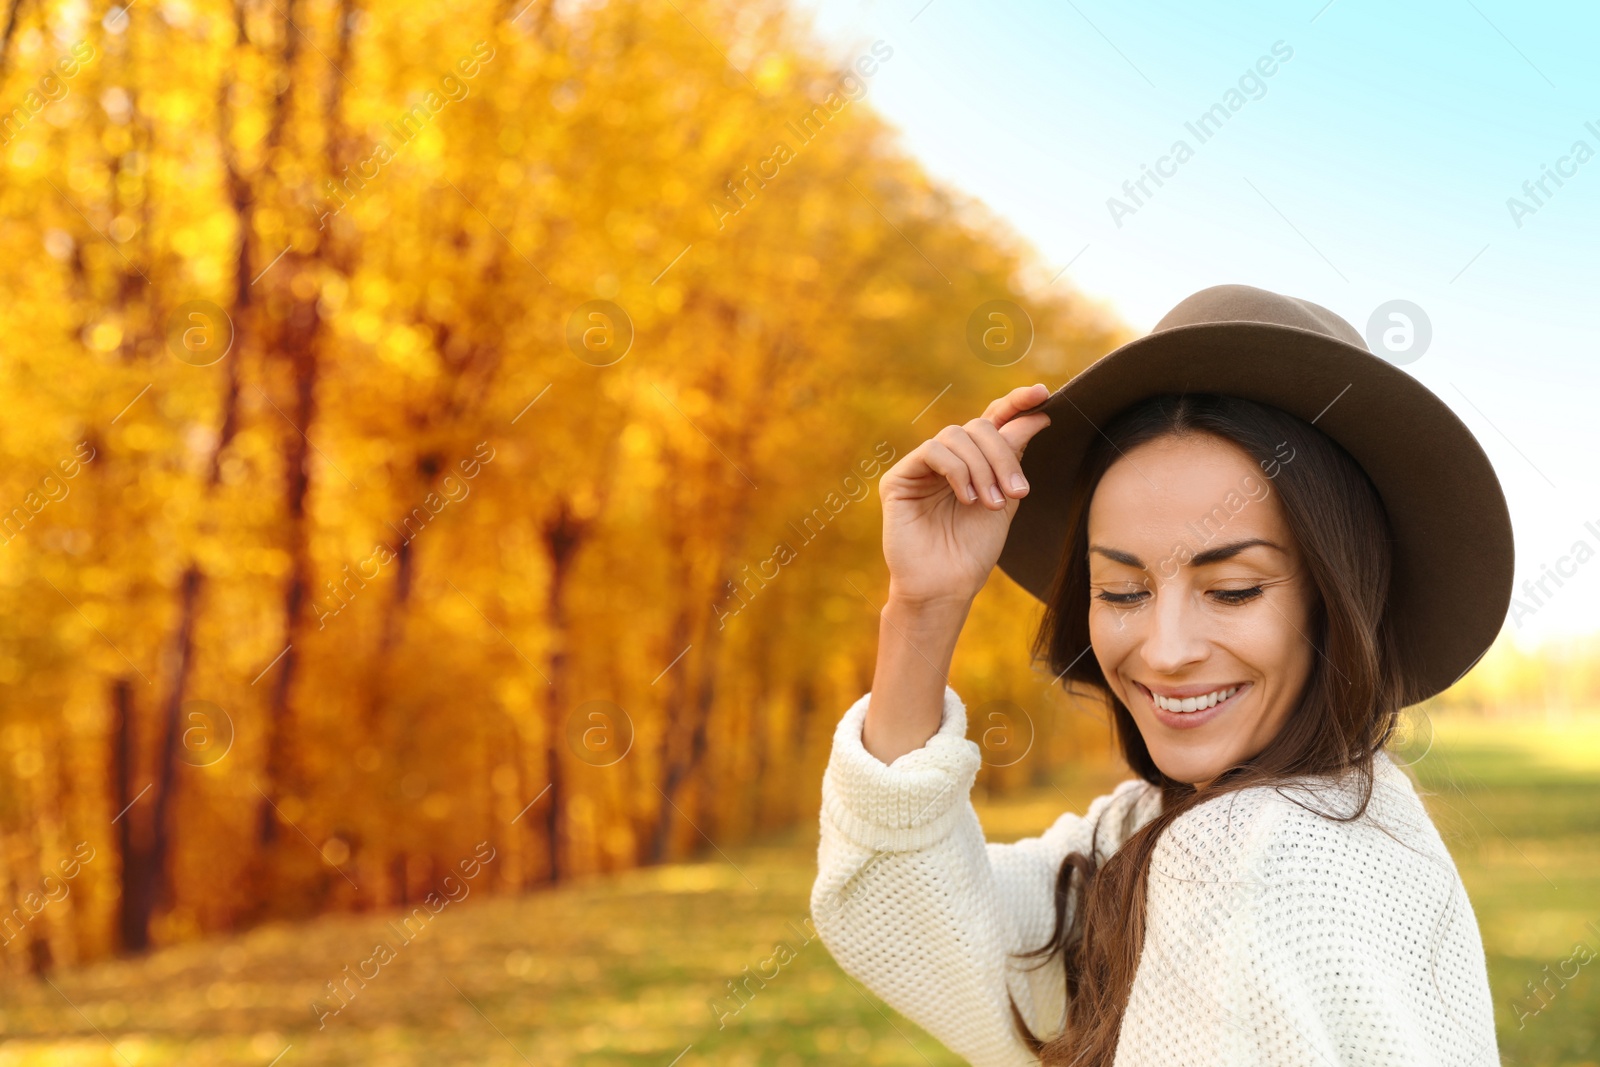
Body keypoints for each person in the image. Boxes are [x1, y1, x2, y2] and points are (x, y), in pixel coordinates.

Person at [809, 285, 1512, 1066]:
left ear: (1337, 598)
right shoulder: (1227, 821)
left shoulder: (1245, 855)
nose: (1167, 647)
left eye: (1234, 589)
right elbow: (907, 918)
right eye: (1122, 591)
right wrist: (923, 605)